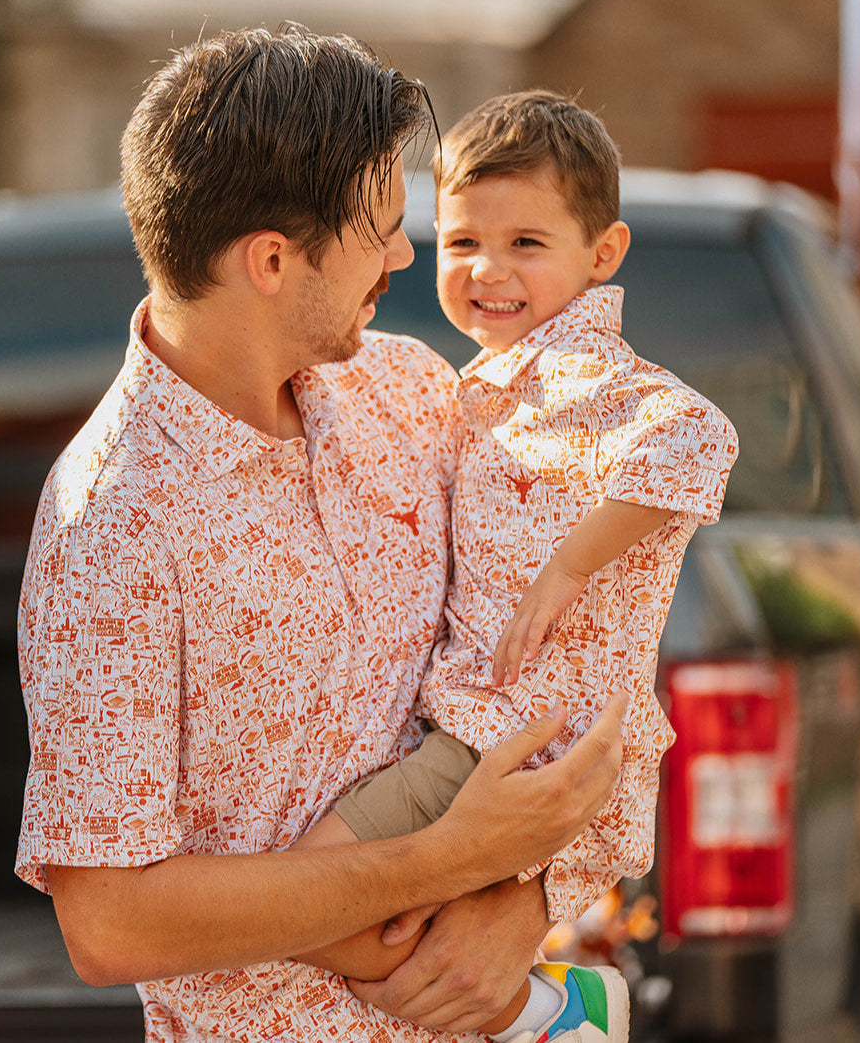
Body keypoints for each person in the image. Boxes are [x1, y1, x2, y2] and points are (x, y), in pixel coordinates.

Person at [15, 26, 627, 1043]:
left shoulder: (414, 393)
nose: (404, 254)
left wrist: (521, 902)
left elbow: (577, 645)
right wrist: (438, 865)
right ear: (269, 259)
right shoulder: (109, 529)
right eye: (381, 228)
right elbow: (108, 921)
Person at [292, 91, 739, 1043]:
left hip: (515, 742)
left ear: (602, 254)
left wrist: (566, 568)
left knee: (306, 894)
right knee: (405, 930)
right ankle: (547, 1011)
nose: (488, 270)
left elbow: (702, 436)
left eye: (526, 244)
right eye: (460, 243)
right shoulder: (487, 385)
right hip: (475, 730)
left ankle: (552, 1016)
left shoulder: (586, 377)